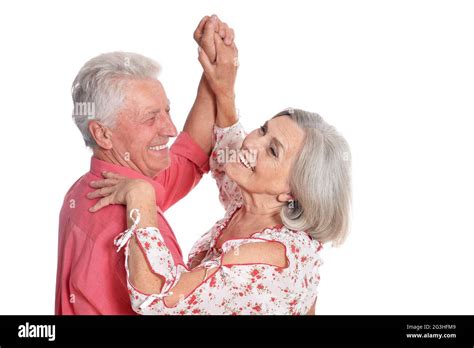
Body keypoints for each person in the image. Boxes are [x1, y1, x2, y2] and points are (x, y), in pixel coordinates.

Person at [88, 28, 352, 315]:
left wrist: (141, 198)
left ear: (292, 191)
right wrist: (224, 83)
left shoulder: (260, 258)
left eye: (272, 150)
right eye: (263, 129)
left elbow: (156, 300)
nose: (252, 144)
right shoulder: (252, 206)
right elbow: (229, 150)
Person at [55, 15, 234, 314]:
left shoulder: (99, 185)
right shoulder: (135, 227)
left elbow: (189, 155)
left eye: (167, 111)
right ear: (102, 133)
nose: (170, 128)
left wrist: (214, 73)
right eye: (150, 118)